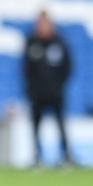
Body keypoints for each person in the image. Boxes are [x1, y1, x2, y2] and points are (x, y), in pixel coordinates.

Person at [24, 11, 72, 165]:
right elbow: (26, 69)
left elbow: (67, 68)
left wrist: (58, 85)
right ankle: (37, 155)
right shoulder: (31, 43)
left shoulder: (59, 44)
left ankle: (65, 155)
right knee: (36, 126)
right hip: (37, 94)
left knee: (60, 124)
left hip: (55, 93)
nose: (42, 27)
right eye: (40, 24)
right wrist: (31, 88)